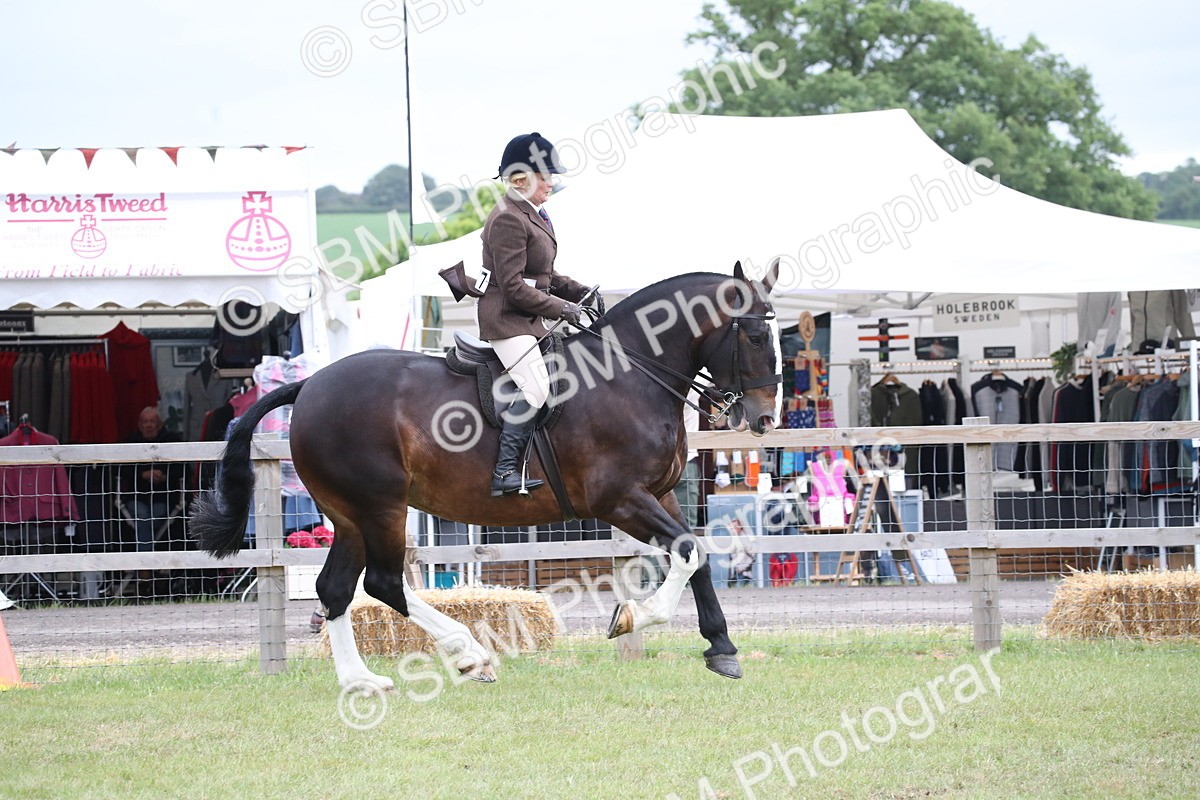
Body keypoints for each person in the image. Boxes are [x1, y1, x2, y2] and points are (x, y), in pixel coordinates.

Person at [477, 132, 591, 496]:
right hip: (506, 320)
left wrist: (578, 291)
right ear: (522, 178)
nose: (551, 184)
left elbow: (543, 275)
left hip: (528, 319)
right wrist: (563, 308)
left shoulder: (534, 214)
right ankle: (505, 472)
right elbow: (513, 286)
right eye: (545, 177)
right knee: (537, 388)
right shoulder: (508, 218)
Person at [118, 406, 185, 551]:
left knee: (151, 518)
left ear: (160, 424)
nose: (148, 425)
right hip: (136, 497)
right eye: (145, 422)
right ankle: (148, 564)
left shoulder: (172, 441)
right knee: (143, 517)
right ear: (139, 425)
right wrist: (143, 474)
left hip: (164, 497)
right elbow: (121, 470)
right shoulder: (130, 443)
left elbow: (182, 468)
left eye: (152, 422)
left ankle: (144, 566)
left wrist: (163, 475)